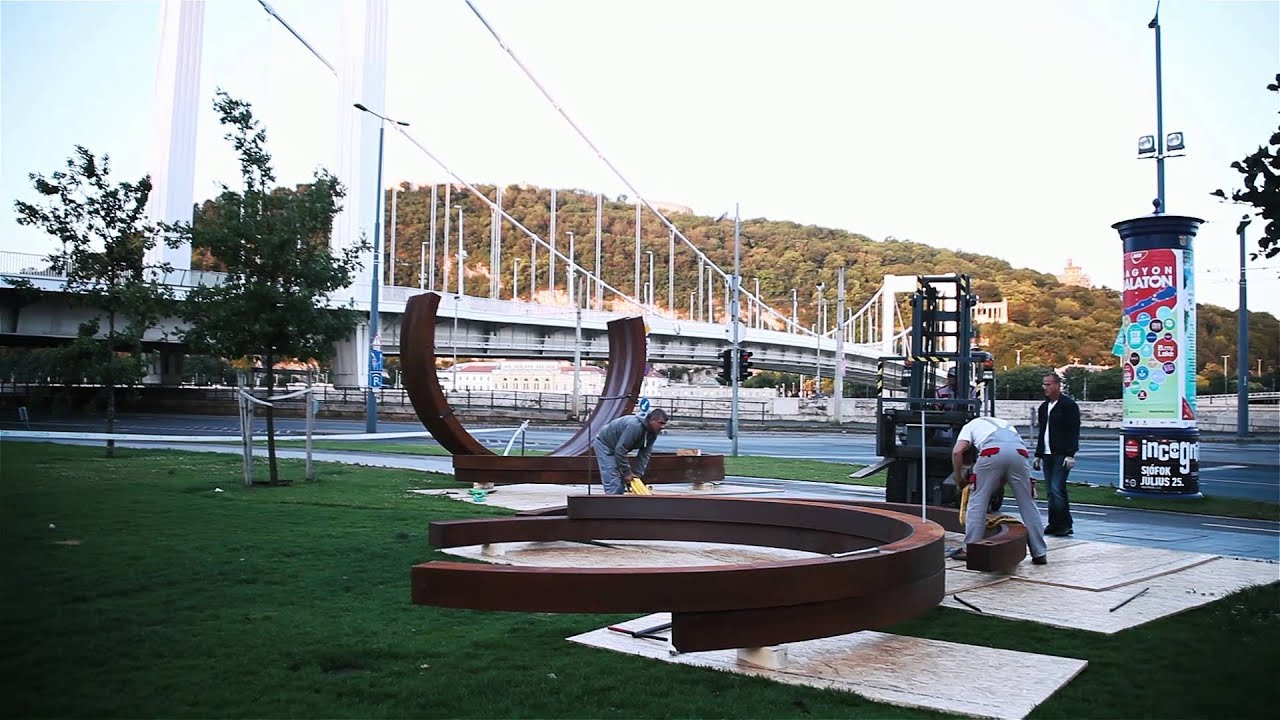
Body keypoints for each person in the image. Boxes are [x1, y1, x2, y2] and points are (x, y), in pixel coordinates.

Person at [951, 415, 1047, 565]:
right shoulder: (1005, 423)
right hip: (1020, 454)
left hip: (991, 451)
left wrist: (959, 478)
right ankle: (1039, 552)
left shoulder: (969, 426)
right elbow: (1004, 468)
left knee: (977, 502)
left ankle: (971, 549)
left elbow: (957, 452)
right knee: (1028, 504)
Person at [1035, 373, 1081, 537]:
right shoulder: (1044, 407)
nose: (1045, 388)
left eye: (1048, 385)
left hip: (1061, 453)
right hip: (1047, 453)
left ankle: (1065, 524)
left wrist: (1070, 453)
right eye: (1044, 385)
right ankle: (1053, 523)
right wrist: (1038, 454)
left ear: (1057, 386)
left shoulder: (1068, 406)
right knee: (1050, 490)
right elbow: (1042, 432)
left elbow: (1073, 431)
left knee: (1057, 488)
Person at [592, 408, 669, 495]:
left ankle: (620, 500)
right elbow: (620, 450)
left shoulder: (653, 434)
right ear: (652, 420)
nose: (663, 427)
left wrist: (637, 475)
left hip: (618, 445)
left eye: (664, 424)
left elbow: (644, 455)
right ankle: (613, 501)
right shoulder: (635, 426)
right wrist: (627, 473)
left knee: (623, 478)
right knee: (612, 476)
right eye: (661, 423)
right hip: (605, 444)